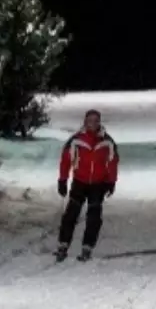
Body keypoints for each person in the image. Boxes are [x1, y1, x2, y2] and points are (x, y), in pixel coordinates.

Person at [56, 109, 119, 262]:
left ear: (99, 122)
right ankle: (63, 244)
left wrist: (111, 182)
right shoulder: (76, 140)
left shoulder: (107, 141)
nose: (93, 123)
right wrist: (63, 180)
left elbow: (112, 162)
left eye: (96, 120)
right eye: (90, 120)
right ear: (85, 122)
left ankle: (87, 246)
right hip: (80, 182)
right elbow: (66, 160)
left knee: (94, 217)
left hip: (98, 184)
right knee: (71, 214)